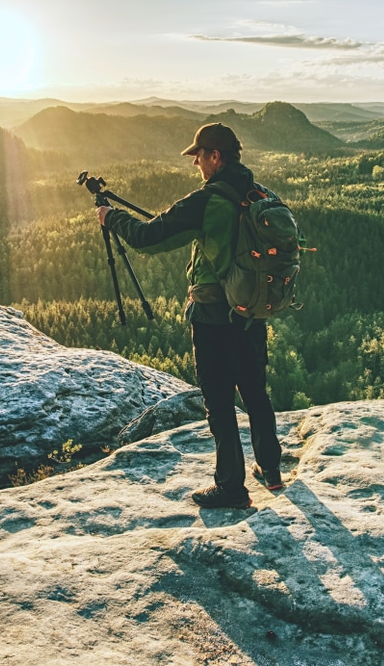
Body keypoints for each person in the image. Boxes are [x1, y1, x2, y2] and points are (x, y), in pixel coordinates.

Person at [96, 122, 283, 509]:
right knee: (254, 392)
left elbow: (147, 238)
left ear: (216, 156)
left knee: (218, 400)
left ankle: (231, 487)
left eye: (199, 155)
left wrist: (110, 218)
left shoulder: (208, 199)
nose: (195, 162)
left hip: (213, 316)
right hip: (251, 313)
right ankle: (271, 468)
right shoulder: (259, 193)